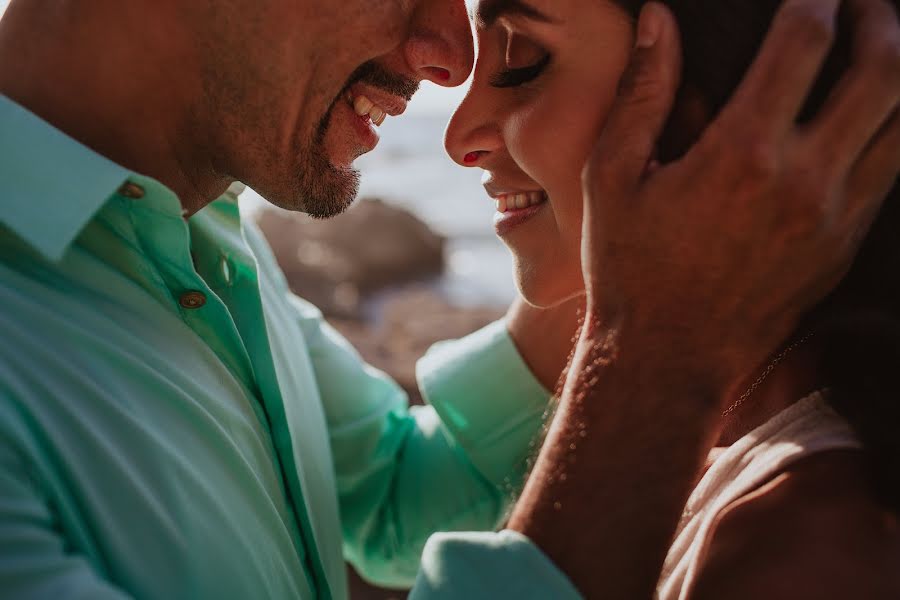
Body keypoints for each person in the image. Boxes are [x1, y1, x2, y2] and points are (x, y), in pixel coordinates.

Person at [0, 0, 896, 598]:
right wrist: (659, 347)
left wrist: (649, 253)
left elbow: (398, 492)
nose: (447, 57)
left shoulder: (195, 229)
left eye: (521, 57)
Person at [442, 0, 900, 597]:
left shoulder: (801, 557)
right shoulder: (735, 457)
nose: (458, 138)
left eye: (522, 61)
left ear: (746, 81)